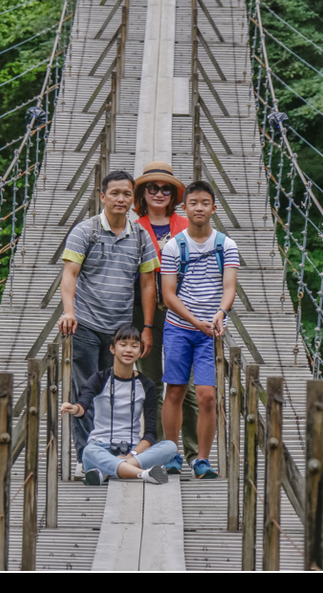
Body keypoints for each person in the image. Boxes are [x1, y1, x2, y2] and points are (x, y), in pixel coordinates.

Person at [59, 170, 160, 462]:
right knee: (86, 393)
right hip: (87, 324)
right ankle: (85, 459)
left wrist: (147, 327)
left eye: (127, 194)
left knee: (110, 395)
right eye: (114, 193)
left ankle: (110, 455)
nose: (120, 199)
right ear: (102, 197)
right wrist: (69, 311)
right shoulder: (85, 231)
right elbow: (70, 274)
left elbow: (147, 284)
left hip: (120, 332)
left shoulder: (141, 236)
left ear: (133, 199)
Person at [160, 181, 239, 479]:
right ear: (184, 208)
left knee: (207, 395)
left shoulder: (226, 245)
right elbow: (168, 294)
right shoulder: (173, 246)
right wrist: (196, 321)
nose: (199, 208)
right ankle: (172, 453)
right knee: (176, 389)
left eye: (205, 203)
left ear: (213, 208)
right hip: (180, 327)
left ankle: (201, 460)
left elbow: (229, 288)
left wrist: (220, 314)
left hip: (212, 330)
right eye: (193, 203)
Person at [131, 161, 200, 473]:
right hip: (142, 312)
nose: (158, 193)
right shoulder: (132, 229)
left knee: (187, 386)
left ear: (173, 195)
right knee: (152, 382)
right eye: (152, 187)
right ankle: (162, 451)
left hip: (184, 313)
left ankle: (195, 453)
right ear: (143, 194)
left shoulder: (188, 226)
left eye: (165, 189)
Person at [61, 325, 177, 485]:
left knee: (170, 446)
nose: (129, 350)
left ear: (140, 350)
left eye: (134, 346)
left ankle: (107, 473)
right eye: (123, 345)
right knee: (88, 451)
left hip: (133, 451)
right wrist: (75, 409)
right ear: (112, 348)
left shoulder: (146, 385)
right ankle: (143, 474)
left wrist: (131, 455)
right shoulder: (99, 378)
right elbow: (83, 405)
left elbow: (150, 434)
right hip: (100, 447)